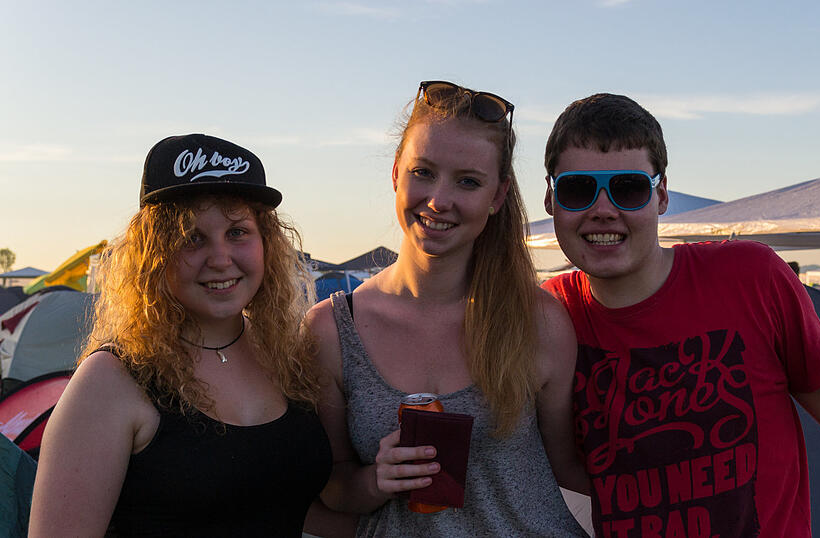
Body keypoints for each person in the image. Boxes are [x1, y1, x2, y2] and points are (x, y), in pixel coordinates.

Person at [539, 94, 820, 538]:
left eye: (628, 188)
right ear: (549, 198)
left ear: (661, 196)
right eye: (578, 189)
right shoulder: (547, 315)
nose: (603, 209)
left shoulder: (750, 275)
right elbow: (562, 469)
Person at [29, 134, 351, 537]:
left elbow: (282, 505)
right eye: (191, 238)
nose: (219, 259)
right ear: (153, 255)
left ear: (267, 242)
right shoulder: (110, 382)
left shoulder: (285, 357)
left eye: (237, 232)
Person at [306, 80, 589, 536]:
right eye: (423, 172)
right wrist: (376, 480)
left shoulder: (539, 321)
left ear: (497, 196)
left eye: (469, 181)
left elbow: (569, 469)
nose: (439, 200)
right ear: (396, 172)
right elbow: (332, 487)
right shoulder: (332, 330)